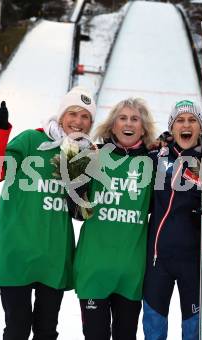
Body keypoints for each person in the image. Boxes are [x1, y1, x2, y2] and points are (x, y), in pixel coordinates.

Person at [0, 86, 96, 340]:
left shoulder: (84, 156)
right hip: (17, 254)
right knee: (17, 329)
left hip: (54, 257)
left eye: (85, 116)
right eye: (73, 113)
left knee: (46, 331)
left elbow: (81, 212)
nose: (78, 121)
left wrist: (78, 179)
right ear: (62, 115)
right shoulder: (32, 140)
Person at [143, 100, 202, 340]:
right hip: (158, 262)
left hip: (195, 264)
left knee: (192, 333)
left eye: (192, 121)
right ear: (172, 127)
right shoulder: (155, 158)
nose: (186, 125)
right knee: (153, 332)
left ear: (200, 128)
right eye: (180, 120)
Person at [72, 98, 156, 340]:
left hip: (131, 273)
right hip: (94, 269)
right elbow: (78, 212)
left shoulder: (153, 164)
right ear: (112, 126)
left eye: (135, 118)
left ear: (143, 128)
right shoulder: (93, 156)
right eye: (122, 117)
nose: (128, 123)